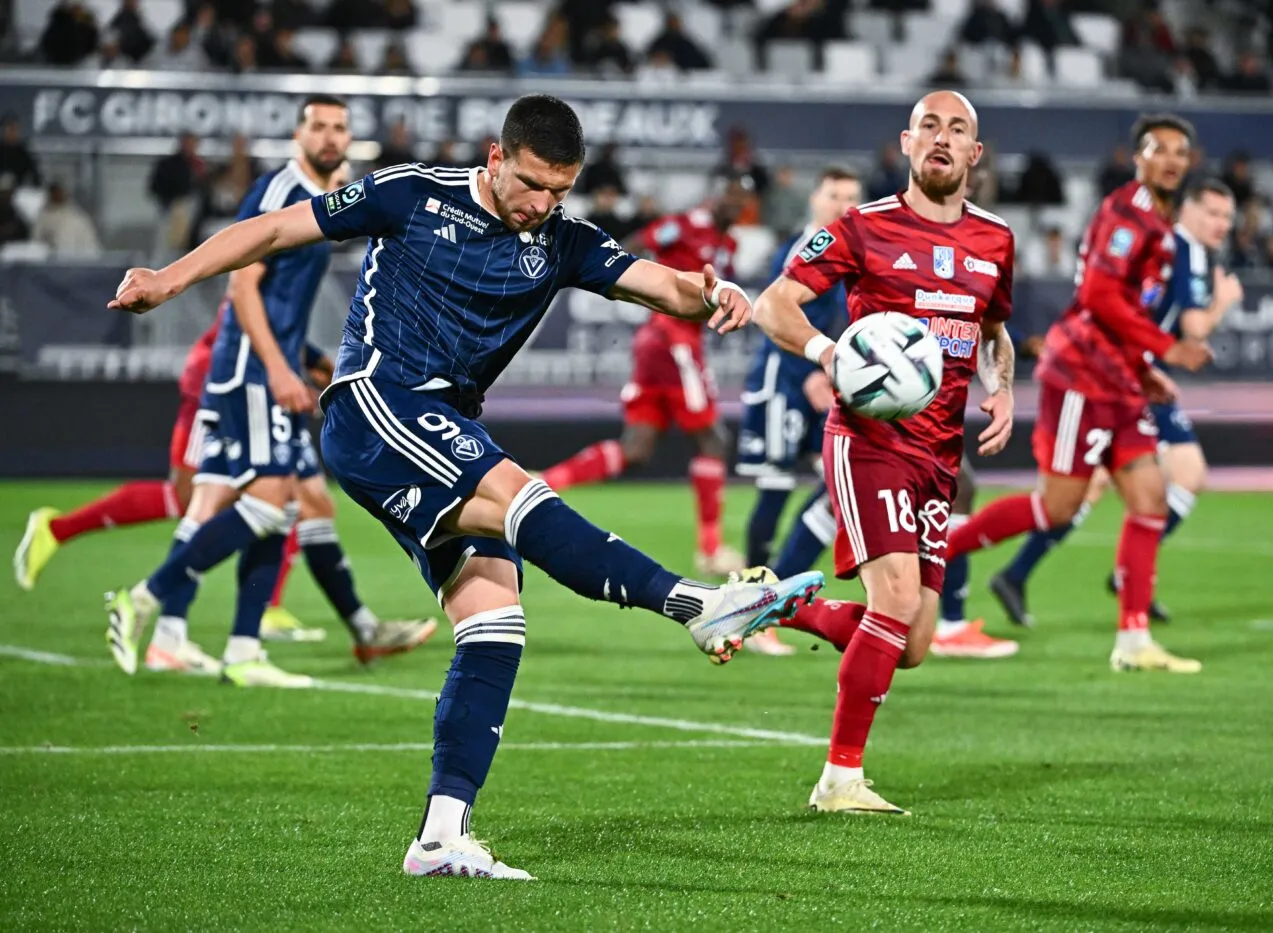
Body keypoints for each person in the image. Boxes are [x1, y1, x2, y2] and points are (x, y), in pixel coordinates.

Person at [103, 93, 825, 879]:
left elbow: (658, 283)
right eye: (530, 184)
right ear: (495, 158)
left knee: (494, 617)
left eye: (560, 190)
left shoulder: (562, 240)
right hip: (379, 401)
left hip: (444, 426)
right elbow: (277, 229)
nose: (542, 204)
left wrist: (711, 292)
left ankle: (440, 834)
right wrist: (170, 278)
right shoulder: (412, 191)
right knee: (518, 493)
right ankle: (697, 604)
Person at [101, 95, 436, 685]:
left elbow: (281, 301)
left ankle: (241, 650)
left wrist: (307, 359)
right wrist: (280, 369)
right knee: (265, 501)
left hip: (268, 365)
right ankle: (146, 598)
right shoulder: (282, 192)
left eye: (340, 129)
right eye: (320, 127)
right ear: (297, 135)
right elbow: (243, 290)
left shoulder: (322, 201)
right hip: (251, 371)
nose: (331, 138)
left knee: (274, 508)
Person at [751, 90, 1019, 815]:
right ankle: (840, 779)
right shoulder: (861, 227)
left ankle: (775, 601)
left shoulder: (996, 240)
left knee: (912, 640)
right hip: (868, 439)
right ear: (906, 143)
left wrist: (1004, 389)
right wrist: (829, 352)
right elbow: (775, 303)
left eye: (957, 128)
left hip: (939, 455)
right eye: (928, 125)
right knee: (895, 601)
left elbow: (994, 329)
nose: (942, 137)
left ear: (974, 154)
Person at [939, 113, 1213, 673]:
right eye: (1158, 149)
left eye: (1180, 152)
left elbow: (1122, 309)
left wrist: (1143, 368)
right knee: (1056, 506)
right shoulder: (1126, 213)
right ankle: (933, 553)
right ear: (1137, 158)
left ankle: (1134, 643)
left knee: (1150, 500)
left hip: (1119, 381)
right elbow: (1100, 294)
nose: (1170, 160)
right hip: (1081, 378)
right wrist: (1166, 346)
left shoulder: (1159, 222)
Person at [988, 178, 1241, 627]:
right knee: (1180, 474)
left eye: (1227, 216)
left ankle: (1020, 573)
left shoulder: (1177, 247)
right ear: (1188, 210)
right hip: (1117, 377)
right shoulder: (1181, 248)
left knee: (1099, 485)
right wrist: (1222, 305)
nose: (1221, 223)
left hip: (1129, 373)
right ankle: (1122, 579)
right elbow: (1193, 327)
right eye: (1213, 213)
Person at [541, 182, 749, 576]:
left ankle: (543, 483)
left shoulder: (729, 244)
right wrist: (638, 288)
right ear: (716, 195)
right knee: (714, 439)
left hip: (663, 344)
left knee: (637, 448)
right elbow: (631, 244)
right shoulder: (683, 225)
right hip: (672, 340)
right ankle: (710, 550)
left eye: (743, 202)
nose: (736, 207)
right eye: (731, 198)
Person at [737, 166, 863, 656]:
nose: (843, 205)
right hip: (783, 383)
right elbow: (776, 315)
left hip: (819, 381)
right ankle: (750, 610)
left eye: (852, 197)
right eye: (834, 195)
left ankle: (780, 593)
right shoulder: (804, 249)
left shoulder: (848, 251)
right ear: (816, 198)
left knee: (835, 480)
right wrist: (809, 372)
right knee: (774, 487)